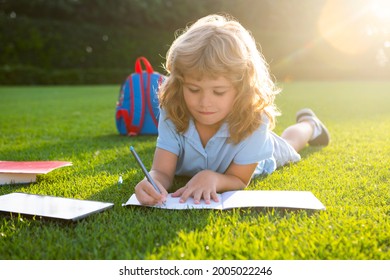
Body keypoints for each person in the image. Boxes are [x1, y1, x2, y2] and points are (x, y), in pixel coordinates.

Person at [134, 14, 330, 206]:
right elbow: (162, 171)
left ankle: (310, 124)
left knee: (290, 143)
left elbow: (238, 179)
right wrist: (153, 181)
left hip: (253, 161)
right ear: (180, 83)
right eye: (193, 89)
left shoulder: (255, 120)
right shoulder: (173, 110)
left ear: (241, 88)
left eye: (218, 92)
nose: (204, 102)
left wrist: (213, 178)